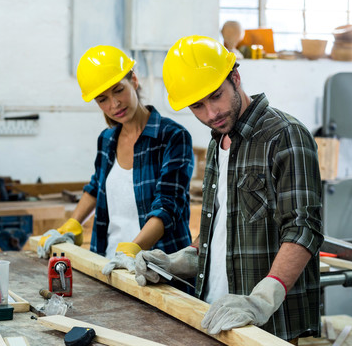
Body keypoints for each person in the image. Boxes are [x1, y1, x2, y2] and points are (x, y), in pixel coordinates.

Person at [134, 35, 324, 343]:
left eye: (216, 96)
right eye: (197, 105)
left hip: (265, 327)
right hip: (211, 313)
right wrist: (175, 262)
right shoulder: (217, 141)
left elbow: (304, 230)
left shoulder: (285, 136)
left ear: (235, 77)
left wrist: (261, 300)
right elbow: (217, 231)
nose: (211, 113)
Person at [37, 45, 194, 278]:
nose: (114, 104)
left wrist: (133, 250)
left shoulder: (172, 136)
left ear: (134, 79)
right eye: (102, 99)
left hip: (154, 269)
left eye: (119, 90)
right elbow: (95, 188)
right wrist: (71, 225)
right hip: (109, 264)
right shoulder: (107, 139)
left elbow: (167, 206)